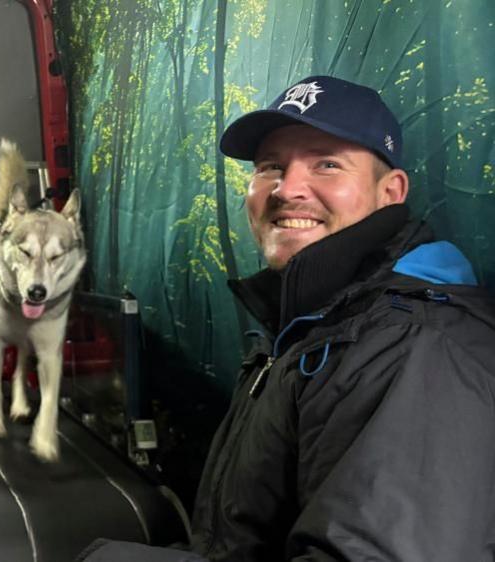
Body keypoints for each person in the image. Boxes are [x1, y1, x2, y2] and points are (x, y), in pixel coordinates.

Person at [78, 76, 495, 561]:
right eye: (271, 166)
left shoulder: (416, 349)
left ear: (391, 192)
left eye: (327, 164)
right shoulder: (309, 326)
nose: (287, 188)